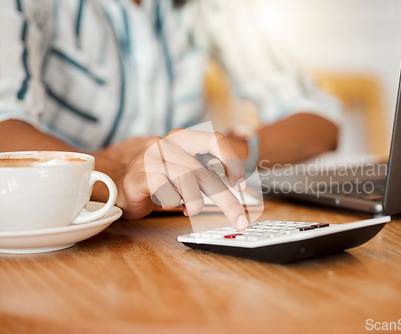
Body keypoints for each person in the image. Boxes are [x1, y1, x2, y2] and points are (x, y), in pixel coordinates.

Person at [0, 0, 342, 229]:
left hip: (176, 231)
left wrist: (224, 153)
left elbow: (319, 118)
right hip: (60, 235)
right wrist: (120, 178)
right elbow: (5, 125)